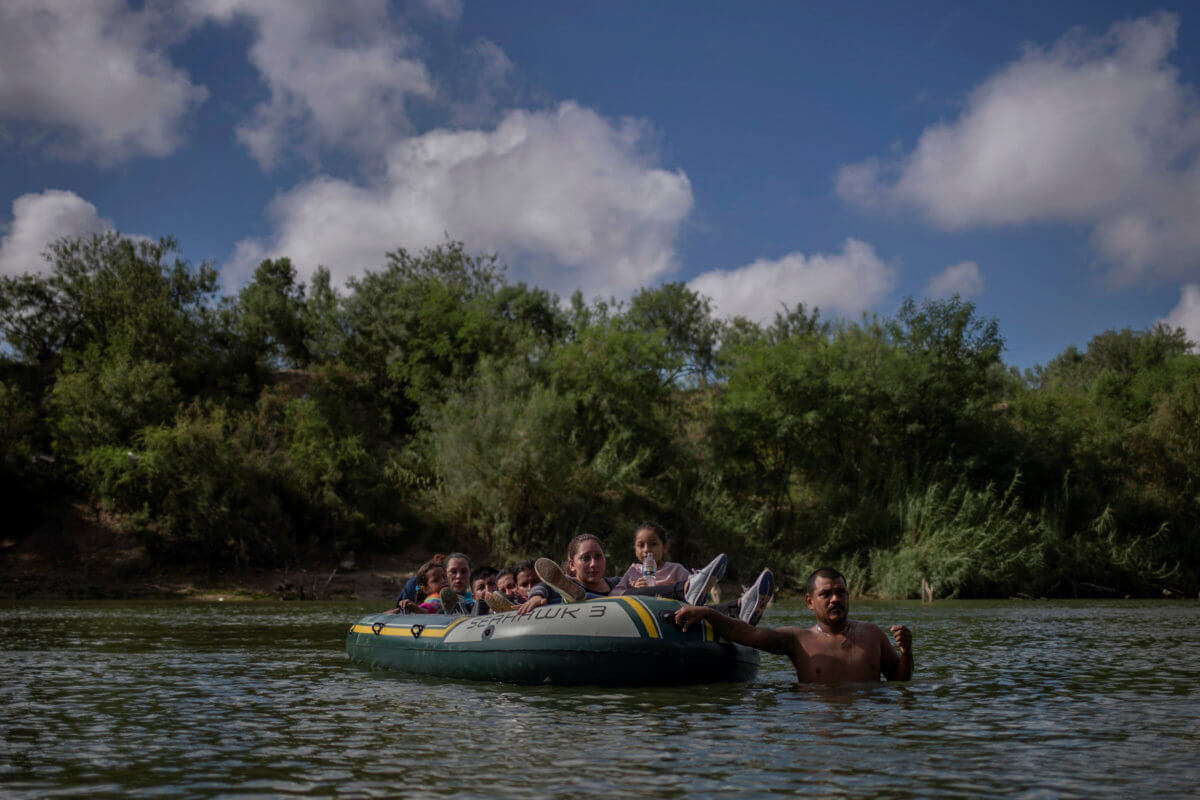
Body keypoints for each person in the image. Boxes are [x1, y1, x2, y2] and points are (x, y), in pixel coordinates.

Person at [674, 567, 913, 683]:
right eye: (826, 594)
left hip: (865, 731)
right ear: (810, 602)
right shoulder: (798, 640)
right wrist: (708, 613)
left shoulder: (871, 634)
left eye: (841, 593)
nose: (835, 599)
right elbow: (746, 633)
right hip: (819, 732)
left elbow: (900, 680)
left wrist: (906, 652)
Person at [509, 534, 767, 623]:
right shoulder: (560, 585)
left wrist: (641, 586)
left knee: (629, 592)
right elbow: (543, 585)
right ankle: (687, 587)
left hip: (652, 621)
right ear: (571, 564)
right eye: (586, 558)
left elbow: (633, 586)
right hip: (579, 616)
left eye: (598, 556)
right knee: (621, 597)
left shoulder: (616, 582)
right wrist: (538, 596)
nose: (593, 564)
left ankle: (736, 608)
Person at [612, 521, 692, 593]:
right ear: (635, 549)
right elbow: (615, 593)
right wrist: (633, 591)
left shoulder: (675, 570)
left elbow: (694, 588)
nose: (646, 549)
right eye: (641, 545)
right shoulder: (633, 571)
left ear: (665, 547)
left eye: (653, 544)